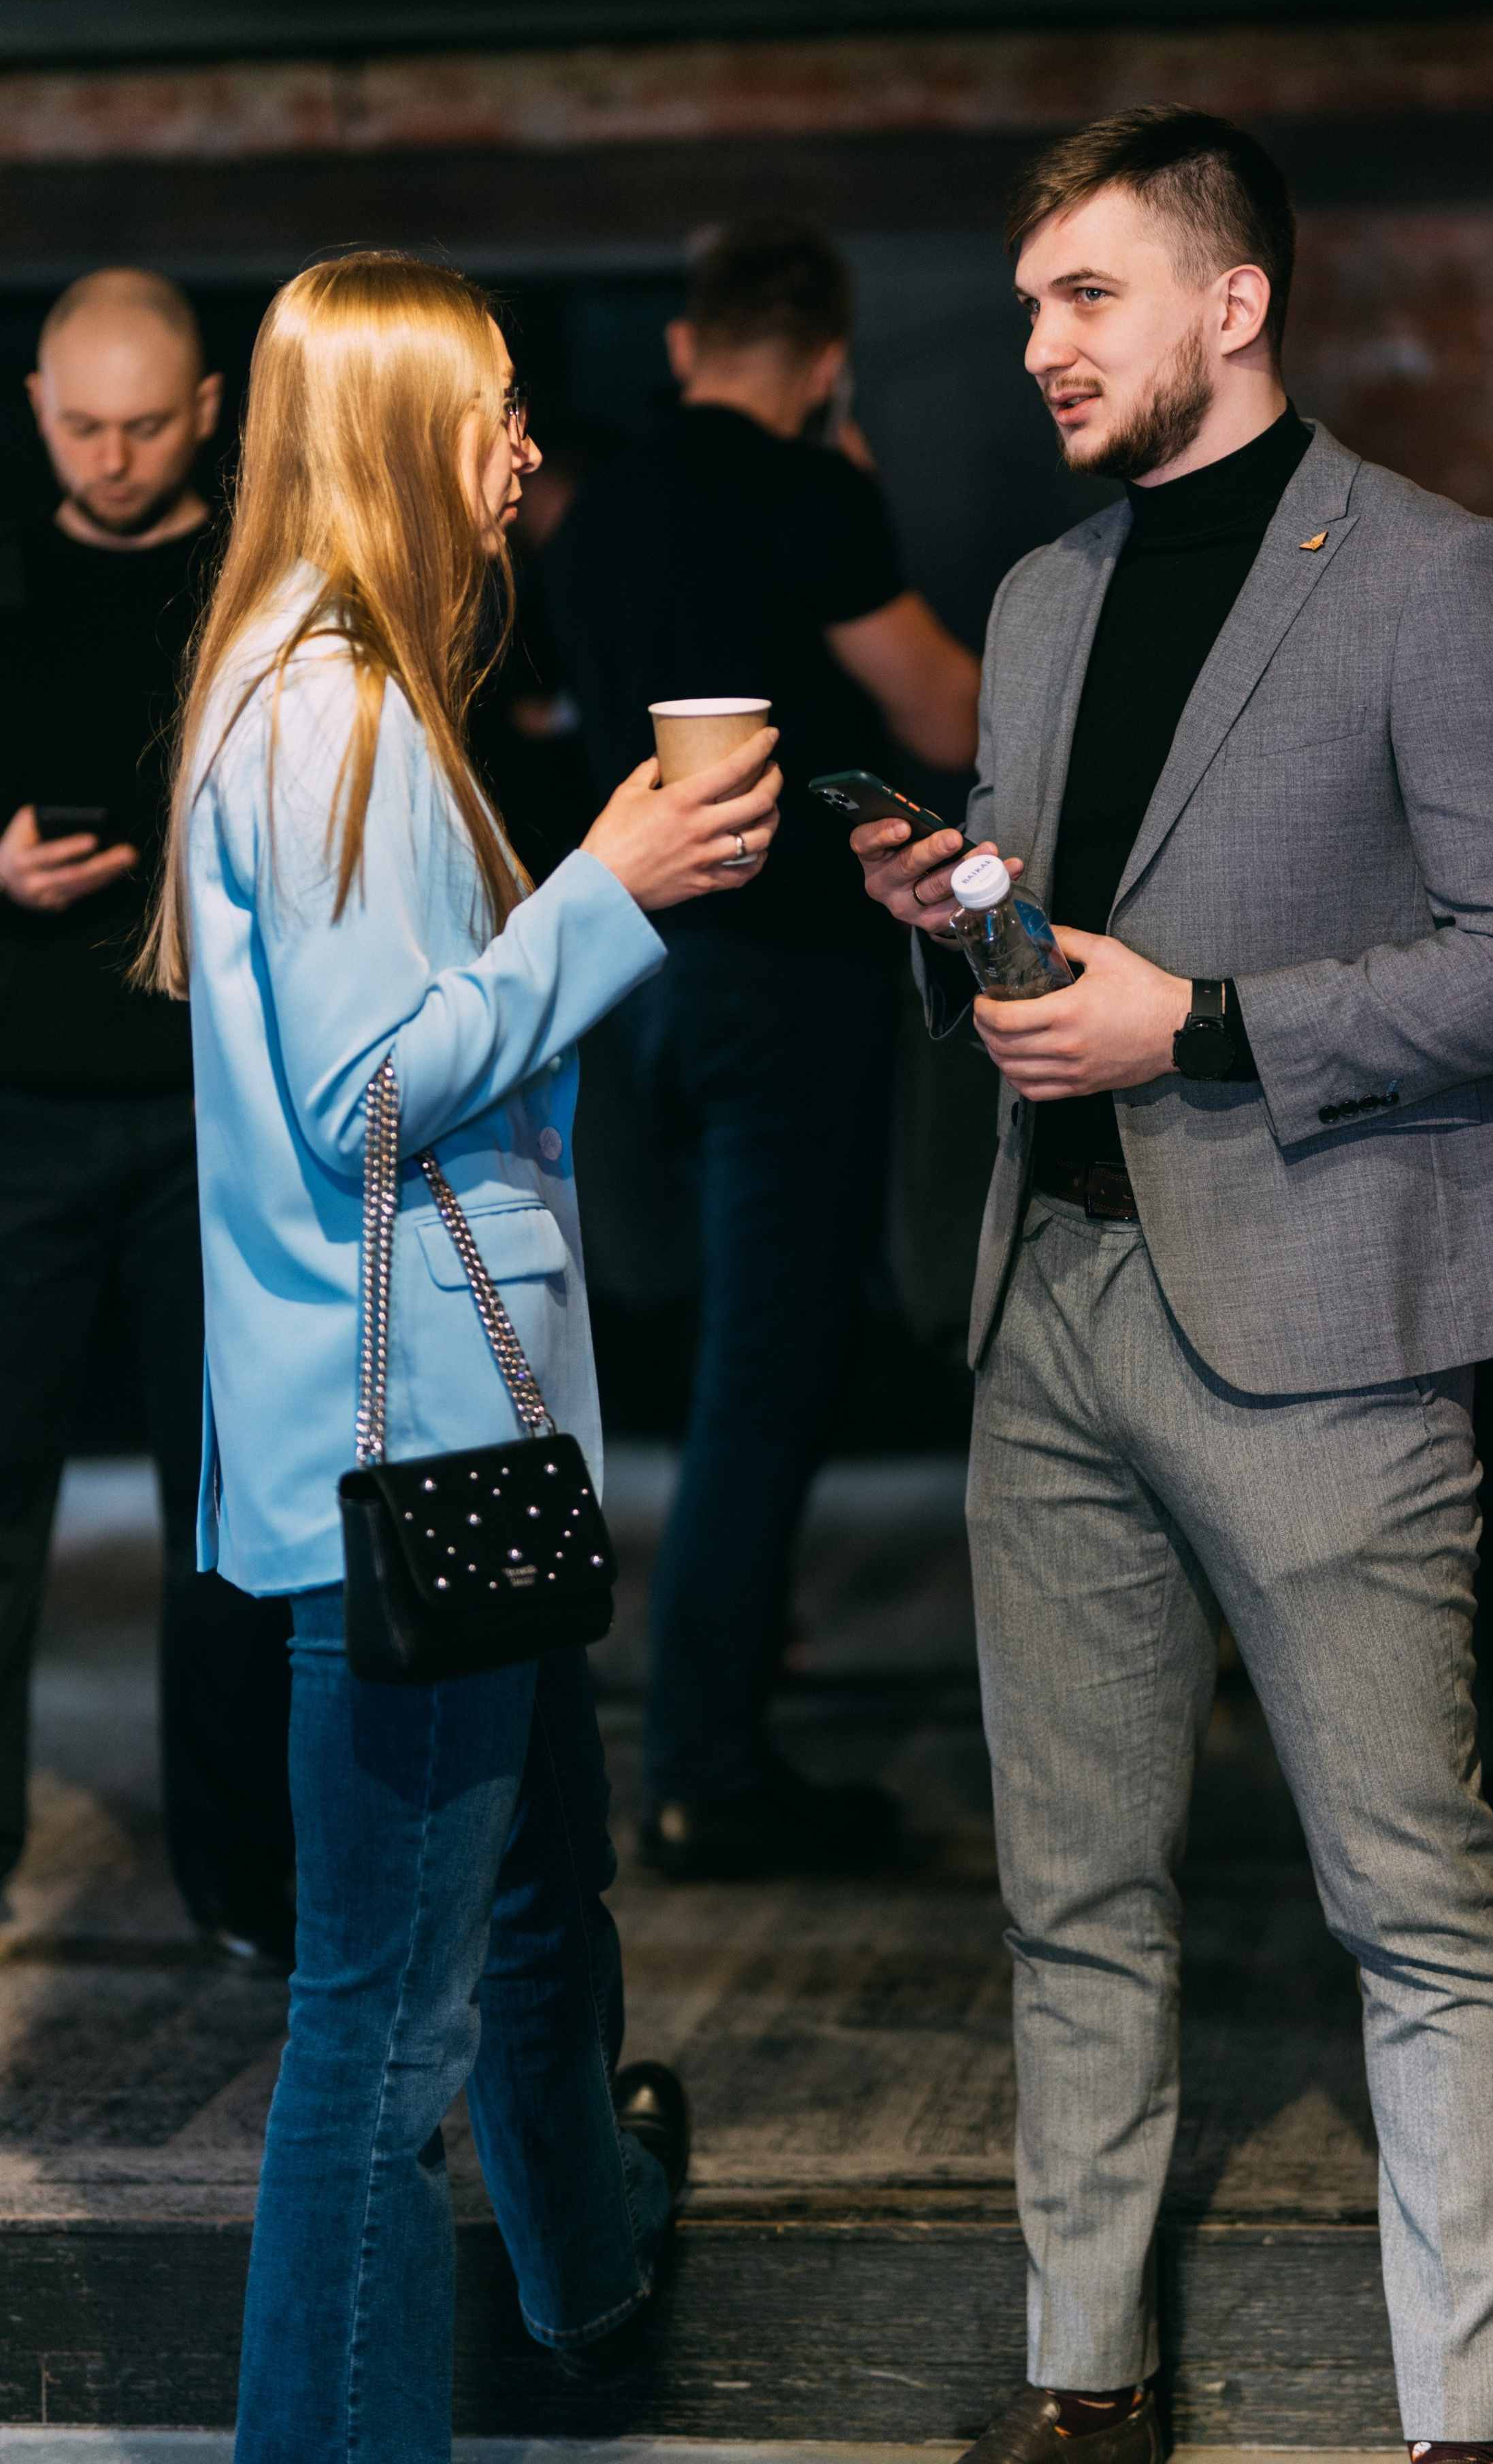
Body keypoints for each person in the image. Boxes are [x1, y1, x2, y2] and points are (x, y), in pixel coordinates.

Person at [852, 108, 1493, 2464]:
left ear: (1234, 300)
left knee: (1415, 1902)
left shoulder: (1440, 577)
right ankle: (1088, 2386)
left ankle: (1459, 2427)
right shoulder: (1048, 593)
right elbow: (1051, 946)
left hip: (1332, 1336)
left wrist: (1195, 1021)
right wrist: (955, 927)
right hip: (1052, 1307)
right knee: (1073, 1898)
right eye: (1030, 304)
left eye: (1086, 294)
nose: (1039, 343)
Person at [140, 249, 782, 2461]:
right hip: (406, 1452)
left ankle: (587, 2254)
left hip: (404, 1436)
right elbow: (372, 1095)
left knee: (506, 1908)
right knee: (377, 2041)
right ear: (405, 432)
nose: (525, 442)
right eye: (493, 404)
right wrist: (613, 884)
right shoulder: (332, 706)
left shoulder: (309, 681)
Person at [546, 220, 981, 1880]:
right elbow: (942, 715)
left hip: (629, 970)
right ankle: (707, 1766)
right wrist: (853, 484)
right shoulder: (810, 492)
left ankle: (710, 1702)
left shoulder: (599, 507)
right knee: (766, 1371)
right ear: (826, 359)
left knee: (698, 1352)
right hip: (780, 983)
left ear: (684, 345)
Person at [0, 267, 297, 1960]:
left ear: (206, 414)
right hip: (17, 1106)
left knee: (229, 1511)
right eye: (81, 427)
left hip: (212, 1111)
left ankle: (240, 1877)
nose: (110, 459)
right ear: (38, 407)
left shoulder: (260, 585)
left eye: (142, 428)